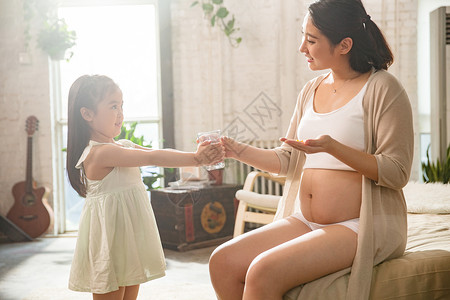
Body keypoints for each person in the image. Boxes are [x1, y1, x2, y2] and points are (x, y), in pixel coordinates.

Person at [209, 0, 414, 299]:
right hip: (306, 220)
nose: (302, 47)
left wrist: (333, 148)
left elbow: (397, 172)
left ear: (344, 45)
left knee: (262, 270)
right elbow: (287, 161)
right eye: (303, 36)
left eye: (312, 40)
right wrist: (236, 150)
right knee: (223, 262)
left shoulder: (383, 89)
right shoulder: (311, 90)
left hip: (359, 225)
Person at [66, 75, 224, 300]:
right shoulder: (99, 153)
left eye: (122, 105)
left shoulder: (122, 146)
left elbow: (158, 154)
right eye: (113, 106)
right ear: (87, 114)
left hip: (128, 234)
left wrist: (197, 156)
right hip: (109, 239)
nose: (120, 113)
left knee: (130, 292)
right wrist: (196, 159)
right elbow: (152, 156)